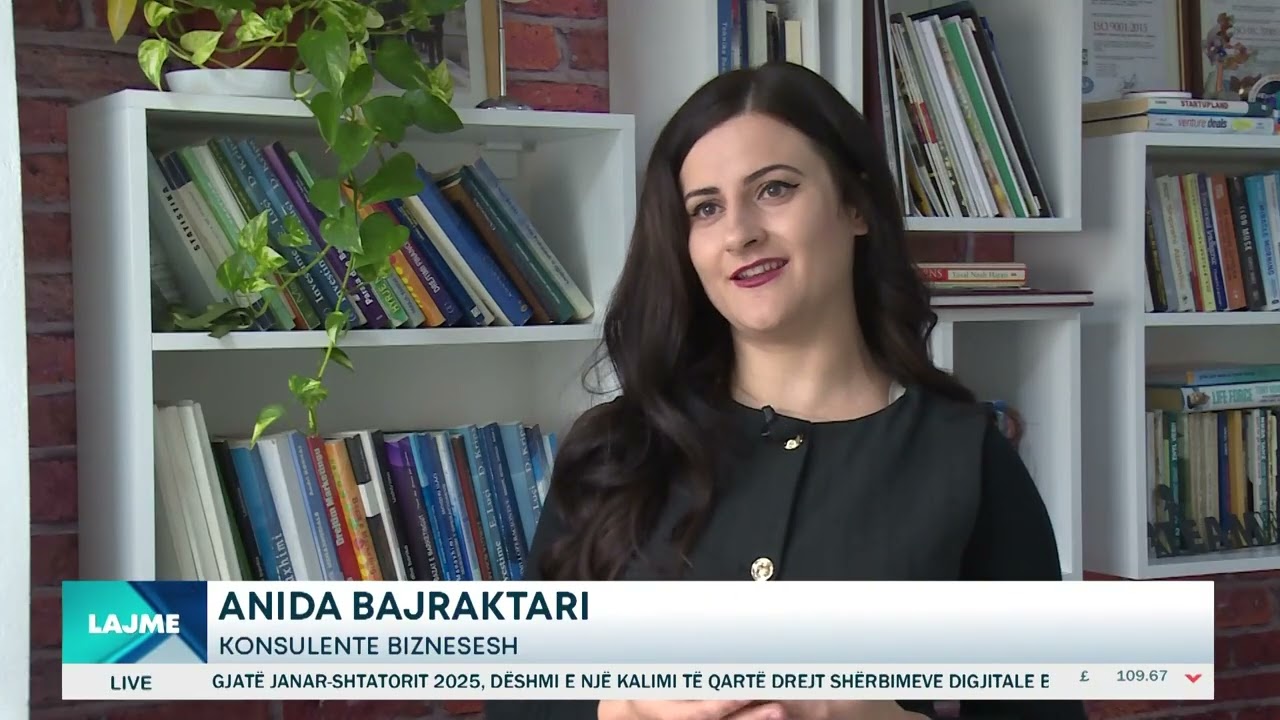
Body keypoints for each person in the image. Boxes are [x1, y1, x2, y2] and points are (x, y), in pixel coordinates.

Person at [484, 62, 1087, 720]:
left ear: (856, 206)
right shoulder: (616, 448)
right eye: (706, 208)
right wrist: (622, 709)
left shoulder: (968, 460)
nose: (739, 232)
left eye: (774, 189)